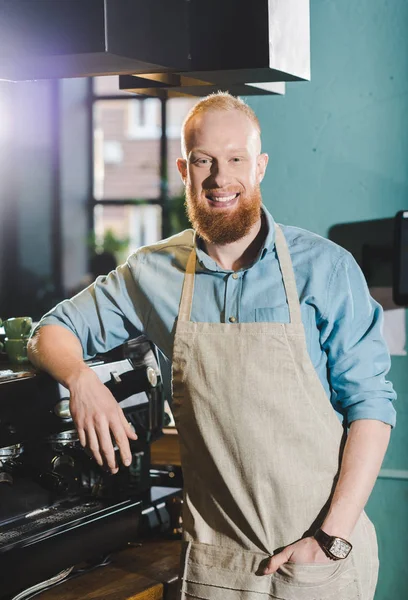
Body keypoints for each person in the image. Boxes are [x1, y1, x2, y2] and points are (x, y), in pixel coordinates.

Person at [28, 93, 396, 600]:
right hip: (217, 569)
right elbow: (49, 331)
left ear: (259, 166)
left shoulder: (325, 269)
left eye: (236, 159)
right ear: (185, 168)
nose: (221, 178)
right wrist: (81, 379)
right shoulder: (151, 272)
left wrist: (329, 538)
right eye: (204, 160)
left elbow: (371, 409)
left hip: (319, 561)